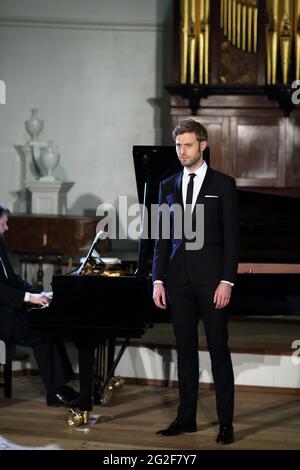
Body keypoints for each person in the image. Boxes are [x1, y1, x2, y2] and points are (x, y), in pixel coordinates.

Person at [152, 119, 239, 445]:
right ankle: (186, 418)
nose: (182, 151)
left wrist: (227, 281)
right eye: (178, 145)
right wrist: (157, 281)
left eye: (187, 145)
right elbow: (161, 238)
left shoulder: (223, 184)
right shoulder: (166, 186)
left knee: (219, 353)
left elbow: (232, 239)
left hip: (212, 282)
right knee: (185, 354)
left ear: (203, 145)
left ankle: (226, 424)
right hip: (177, 283)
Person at [0, 203, 78, 407]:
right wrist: (27, 298)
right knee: (41, 333)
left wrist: (38, 293)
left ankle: (59, 386)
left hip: (9, 310)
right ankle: (56, 390)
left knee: (48, 325)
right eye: (4, 222)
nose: (7, 228)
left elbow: (12, 279)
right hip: (2, 317)